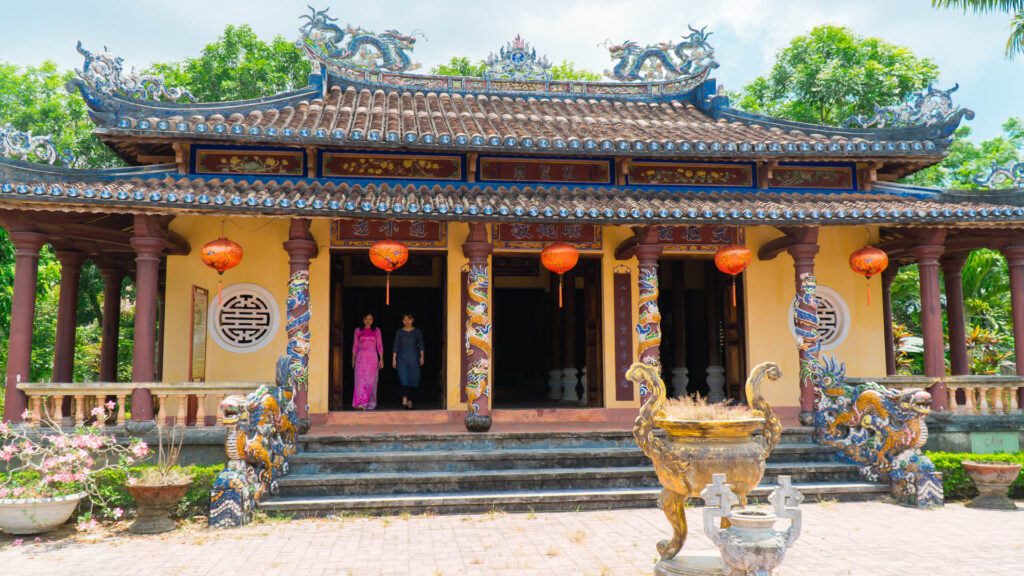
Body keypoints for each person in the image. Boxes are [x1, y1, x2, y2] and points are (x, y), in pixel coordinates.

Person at [392, 312, 425, 409]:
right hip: (402, 359)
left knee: (414, 380)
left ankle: (410, 400)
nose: (407, 322)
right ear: (402, 321)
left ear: (412, 320)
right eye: (404, 320)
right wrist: (394, 359)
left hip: (414, 358)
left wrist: (422, 356)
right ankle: (405, 398)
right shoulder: (399, 332)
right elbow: (396, 345)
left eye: (409, 319)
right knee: (404, 378)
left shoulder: (417, 332)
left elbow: (420, 344)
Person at [352, 313, 383, 410]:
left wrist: (381, 359)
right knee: (360, 381)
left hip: (373, 359)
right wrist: (353, 359)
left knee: (371, 382)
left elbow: (380, 346)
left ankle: (371, 403)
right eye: (366, 319)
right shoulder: (358, 331)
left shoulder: (376, 331)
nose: (368, 321)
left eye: (370, 319)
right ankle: (361, 404)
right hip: (360, 359)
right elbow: (355, 346)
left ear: (373, 320)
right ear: (363, 319)